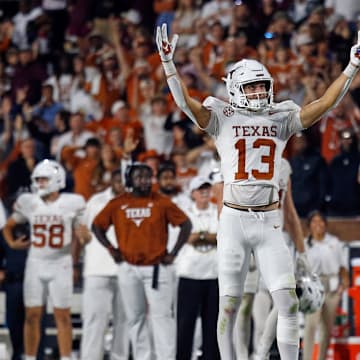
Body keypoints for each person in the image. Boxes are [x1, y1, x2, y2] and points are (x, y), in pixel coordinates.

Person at [156, 23, 360, 359]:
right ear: (236, 88)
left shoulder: (280, 117)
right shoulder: (223, 116)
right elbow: (185, 104)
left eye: (262, 87)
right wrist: (168, 66)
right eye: (251, 87)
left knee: (288, 301)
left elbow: (324, 103)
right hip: (234, 220)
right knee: (230, 307)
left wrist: (352, 66)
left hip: (268, 222)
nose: (258, 93)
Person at [92, 162, 192, 360]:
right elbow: (97, 226)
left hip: (157, 268)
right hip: (128, 268)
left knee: (162, 317)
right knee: (135, 318)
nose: (144, 181)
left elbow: (186, 224)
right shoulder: (118, 203)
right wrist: (111, 249)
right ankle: (142, 357)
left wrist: (173, 253)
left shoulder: (161, 202)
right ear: (130, 179)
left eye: (147, 177)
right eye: (139, 177)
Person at [2, 159, 89, 360]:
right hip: (36, 263)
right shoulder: (29, 202)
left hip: (61, 263)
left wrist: (85, 238)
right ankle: (30, 357)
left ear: (56, 180)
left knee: (62, 316)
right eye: (38, 179)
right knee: (32, 316)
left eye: (43, 179)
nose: (39, 184)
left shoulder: (71, 202)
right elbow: (7, 227)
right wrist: (12, 243)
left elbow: (82, 236)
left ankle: (66, 357)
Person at [80, 169, 129, 360]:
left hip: (126, 268)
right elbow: (83, 230)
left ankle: (120, 357)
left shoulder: (135, 202)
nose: (120, 184)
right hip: (96, 268)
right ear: (111, 181)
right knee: (94, 320)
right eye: (117, 180)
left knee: (124, 321)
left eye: (123, 181)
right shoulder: (96, 201)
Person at [176, 175, 220, 360]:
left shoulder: (218, 211)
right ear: (192, 193)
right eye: (200, 188)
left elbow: (220, 238)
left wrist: (199, 236)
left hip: (214, 275)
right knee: (185, 326)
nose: (204, 191)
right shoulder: (184, 213)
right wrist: (208, 236)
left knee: (213, 327)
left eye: (206, 188)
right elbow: (185, 238)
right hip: (189, 275)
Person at [302, 210, 349, 360]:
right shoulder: (305, 244)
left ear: (325, 224)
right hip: (313, 285)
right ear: (309, 226)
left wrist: (344, 284)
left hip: (332, 286)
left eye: (320, 221)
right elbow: (301, 268)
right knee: (311, 326)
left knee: (327, 329)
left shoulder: (334, 242)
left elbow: (343, 266)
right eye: (314, 222)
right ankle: (307, 357)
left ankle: (322, 357)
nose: (318, 224)